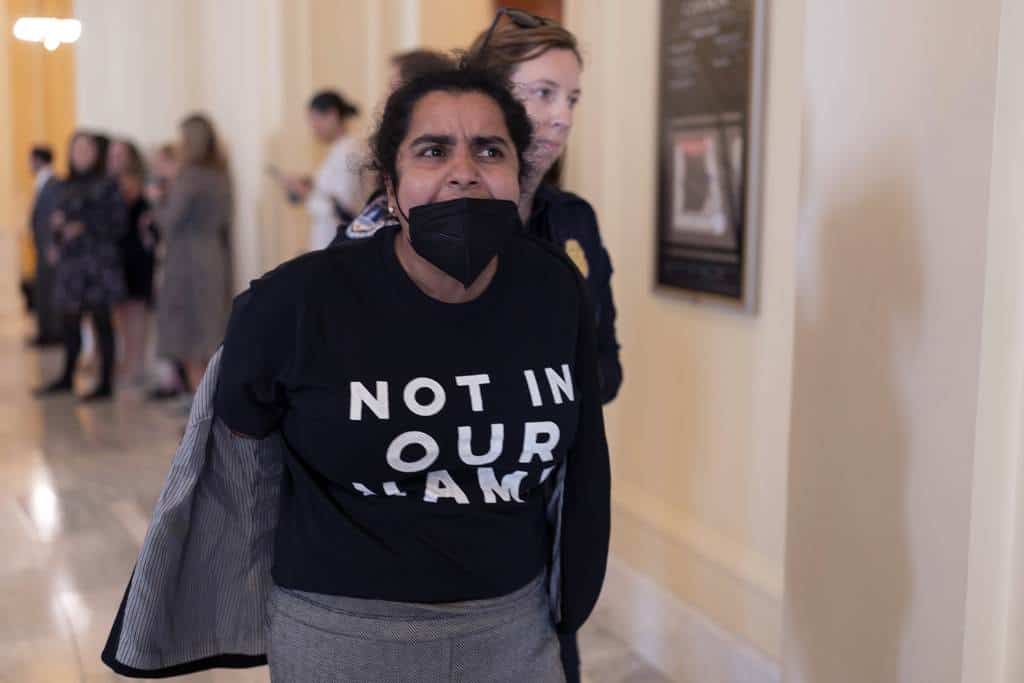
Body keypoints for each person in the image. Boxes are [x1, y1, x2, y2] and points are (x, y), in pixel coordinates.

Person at [103, 64, 611, 681]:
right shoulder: (294, 304)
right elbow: (235, 469)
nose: (464, 170)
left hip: (513, 630)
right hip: (343, 636)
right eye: (432, 150)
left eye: (489, 149)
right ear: (391, 190)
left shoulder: (554, 291)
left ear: (518, 175)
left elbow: (582, 461)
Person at [467, 9, 624, 681]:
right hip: (444, 524)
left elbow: (606, 369)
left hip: (546, 521)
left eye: (572, 99)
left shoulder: (573, 220)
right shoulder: (420, 222)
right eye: (543, 94)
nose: (562, 117)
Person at [35, 131, 125, 401]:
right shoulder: (65, 185)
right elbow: (58, 220)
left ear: (96, 154)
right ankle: (66, 377)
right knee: (70, 320)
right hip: (72, 264)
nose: (81, 154)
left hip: (97, 263)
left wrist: (84, 225)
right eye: (77, 149)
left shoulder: (107, 184)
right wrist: (57, 236)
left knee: (101, 320)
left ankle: (105, 383)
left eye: (87, 149)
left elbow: (118, 223)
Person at [151, 114, 233, 397]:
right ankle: (206, 405)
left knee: (188, 336)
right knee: (208, 332)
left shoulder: (190, 176)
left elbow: (168, 220)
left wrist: (157, 199)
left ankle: (200, 408)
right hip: (212, 255)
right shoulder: (220, 174)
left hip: (186, 259)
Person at [279, 90, 365, 250]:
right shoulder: (339, 150)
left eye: (315, 119)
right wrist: (308, 185)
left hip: (337, 242)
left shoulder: (348, 151)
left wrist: (306, 193)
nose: (313, 127)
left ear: (332, 116)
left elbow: (344, 207)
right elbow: (330, 193)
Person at [108, 139, 158, 386]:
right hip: (117, 254)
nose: (115, 158)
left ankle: (137, 364)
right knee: (122, 311)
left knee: (137, 311)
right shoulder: (108, 183)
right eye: (112, 153)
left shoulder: (139, 182)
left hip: (137, 254)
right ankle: (127, 361)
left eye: (120, 154)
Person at [27, 145, 63, 346]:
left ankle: (53, 333)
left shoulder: (53, 183)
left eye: (30, 159)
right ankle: (45, 331)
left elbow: (54, 217)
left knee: (50, 289)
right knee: (43, 289)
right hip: (41, 246)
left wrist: (52, 243)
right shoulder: (42, 183)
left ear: (39, 160)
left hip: (49, 247)